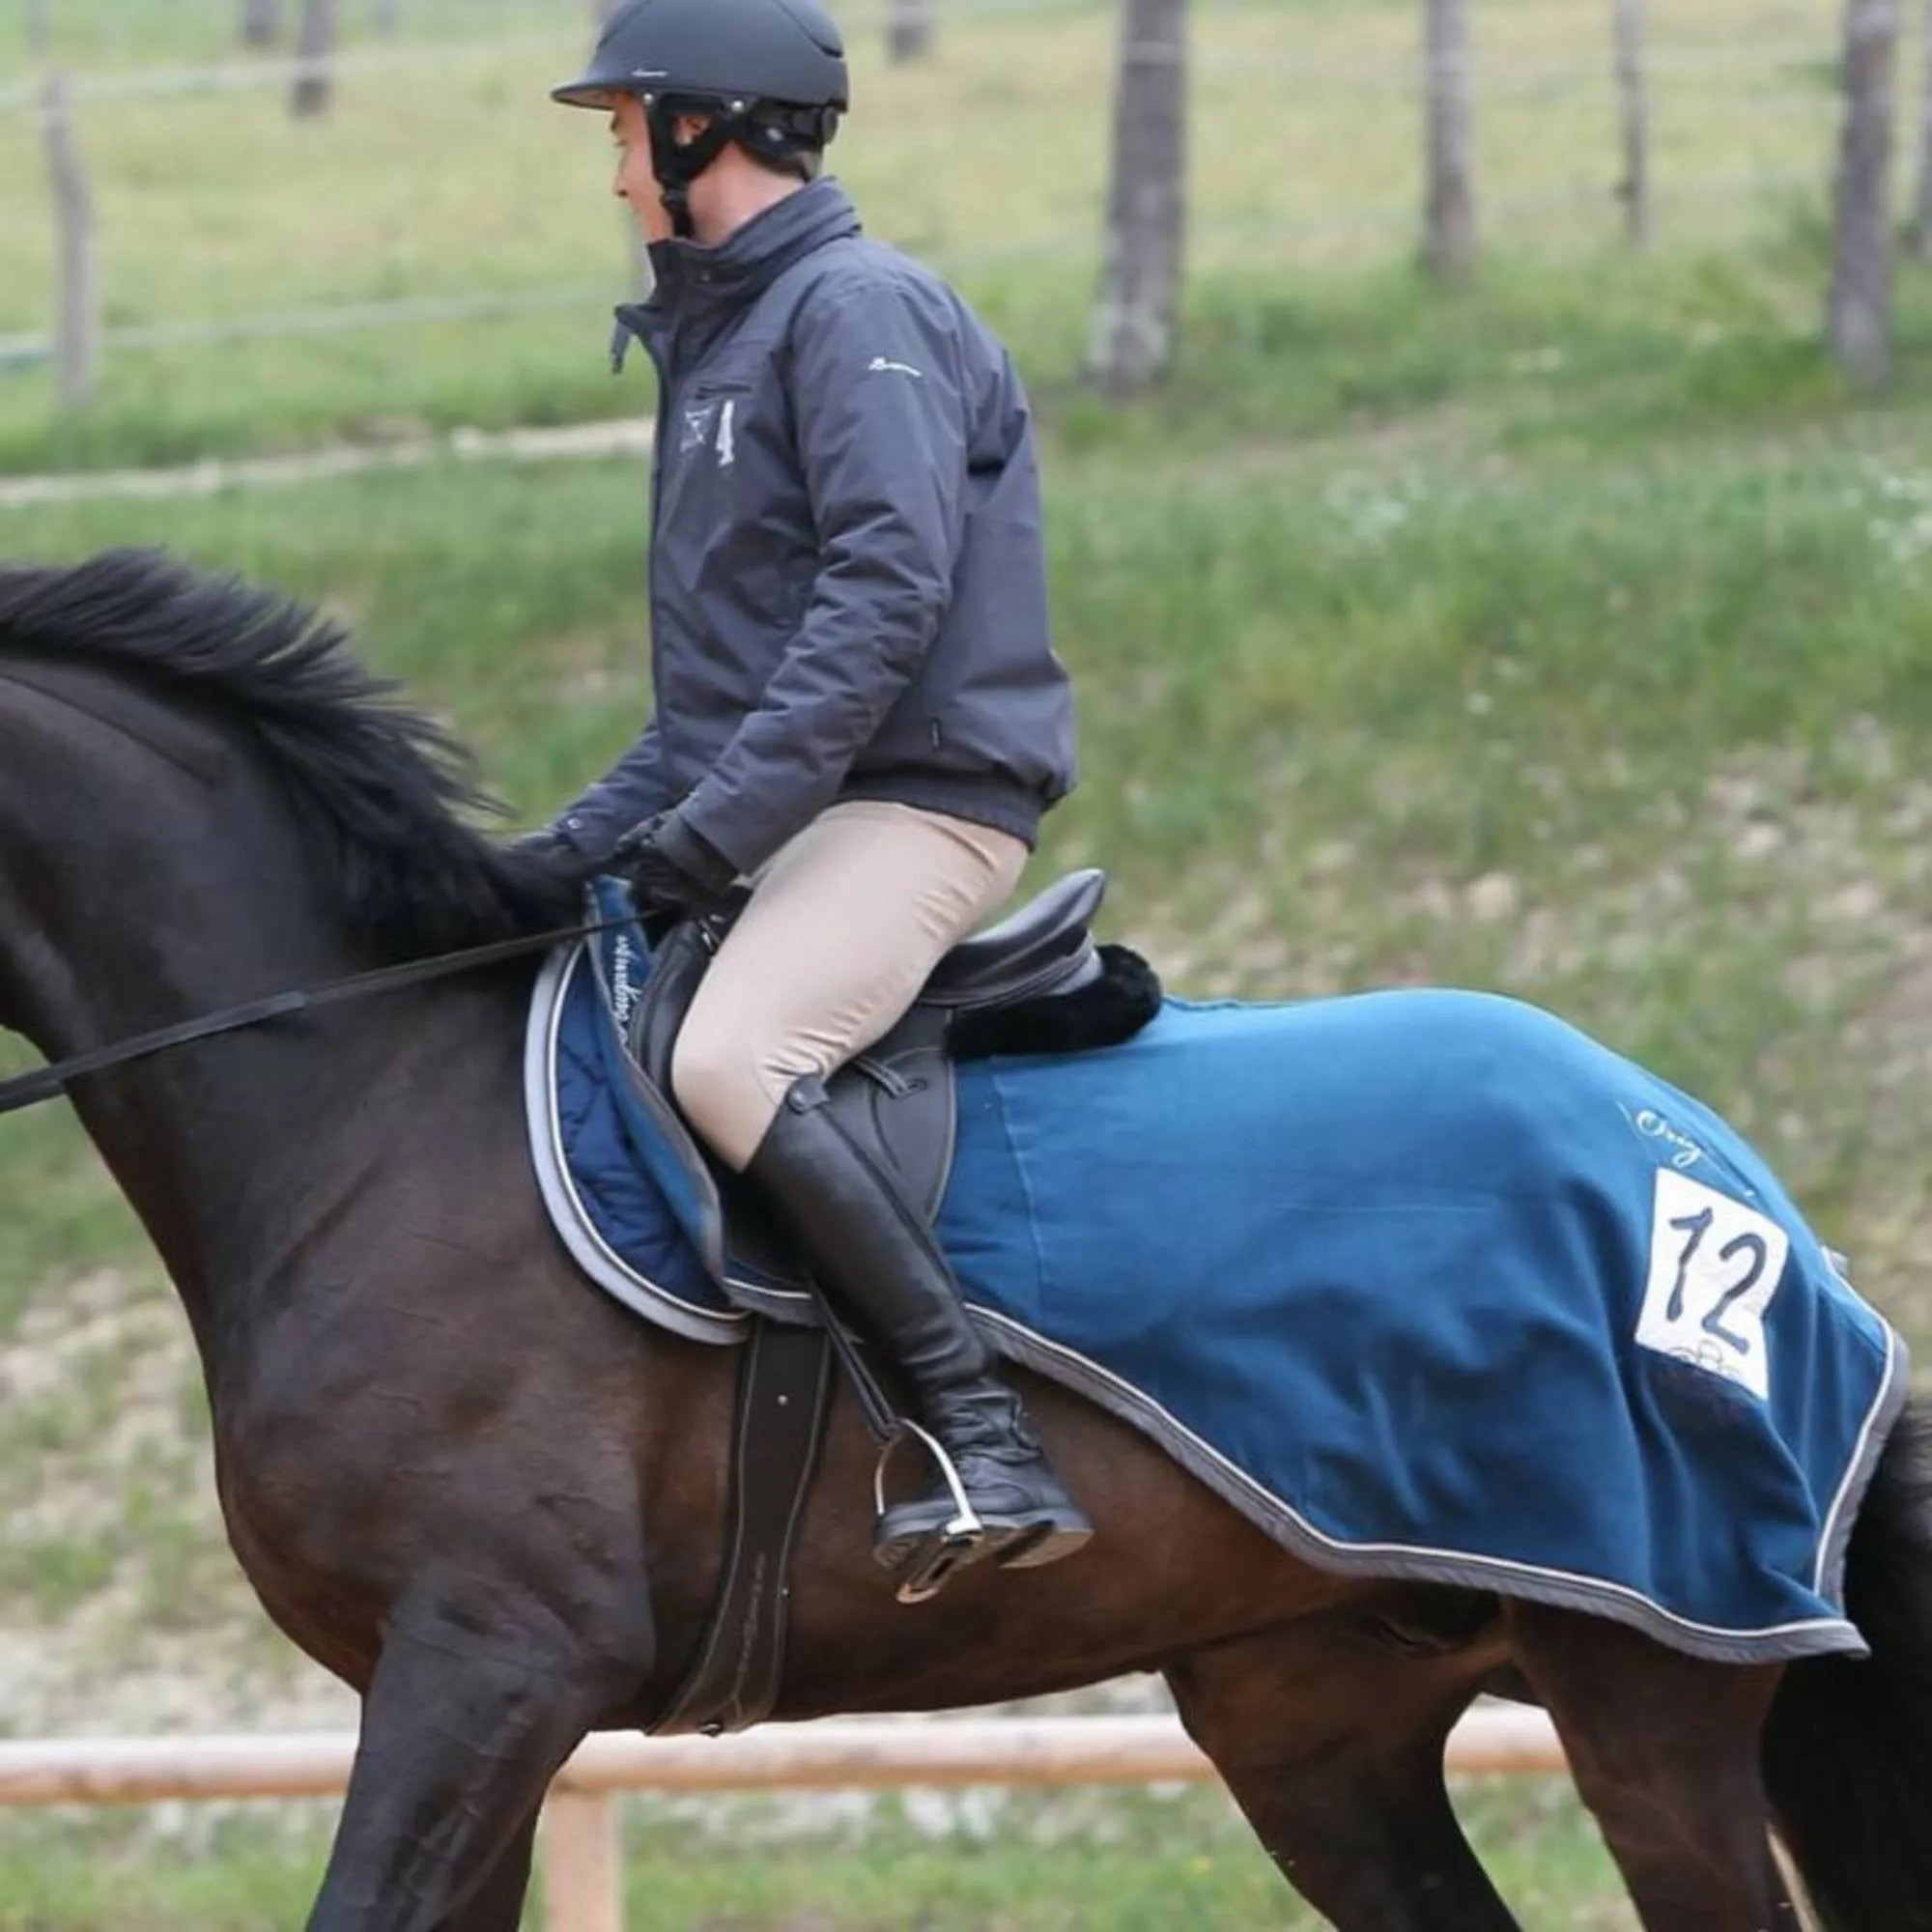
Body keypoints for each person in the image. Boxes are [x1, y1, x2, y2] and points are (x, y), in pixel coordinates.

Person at [537, 0, 1092, 1590]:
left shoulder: (858, 311)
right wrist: (559, 857)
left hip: (919, 805)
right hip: (810, 799)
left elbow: (881, 603)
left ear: (705, 125)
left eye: (627, 130)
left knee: (730, 1053)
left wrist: (705, 840)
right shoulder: (732, 337)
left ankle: (988, 1442)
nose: (619, 173)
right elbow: (716, 699)